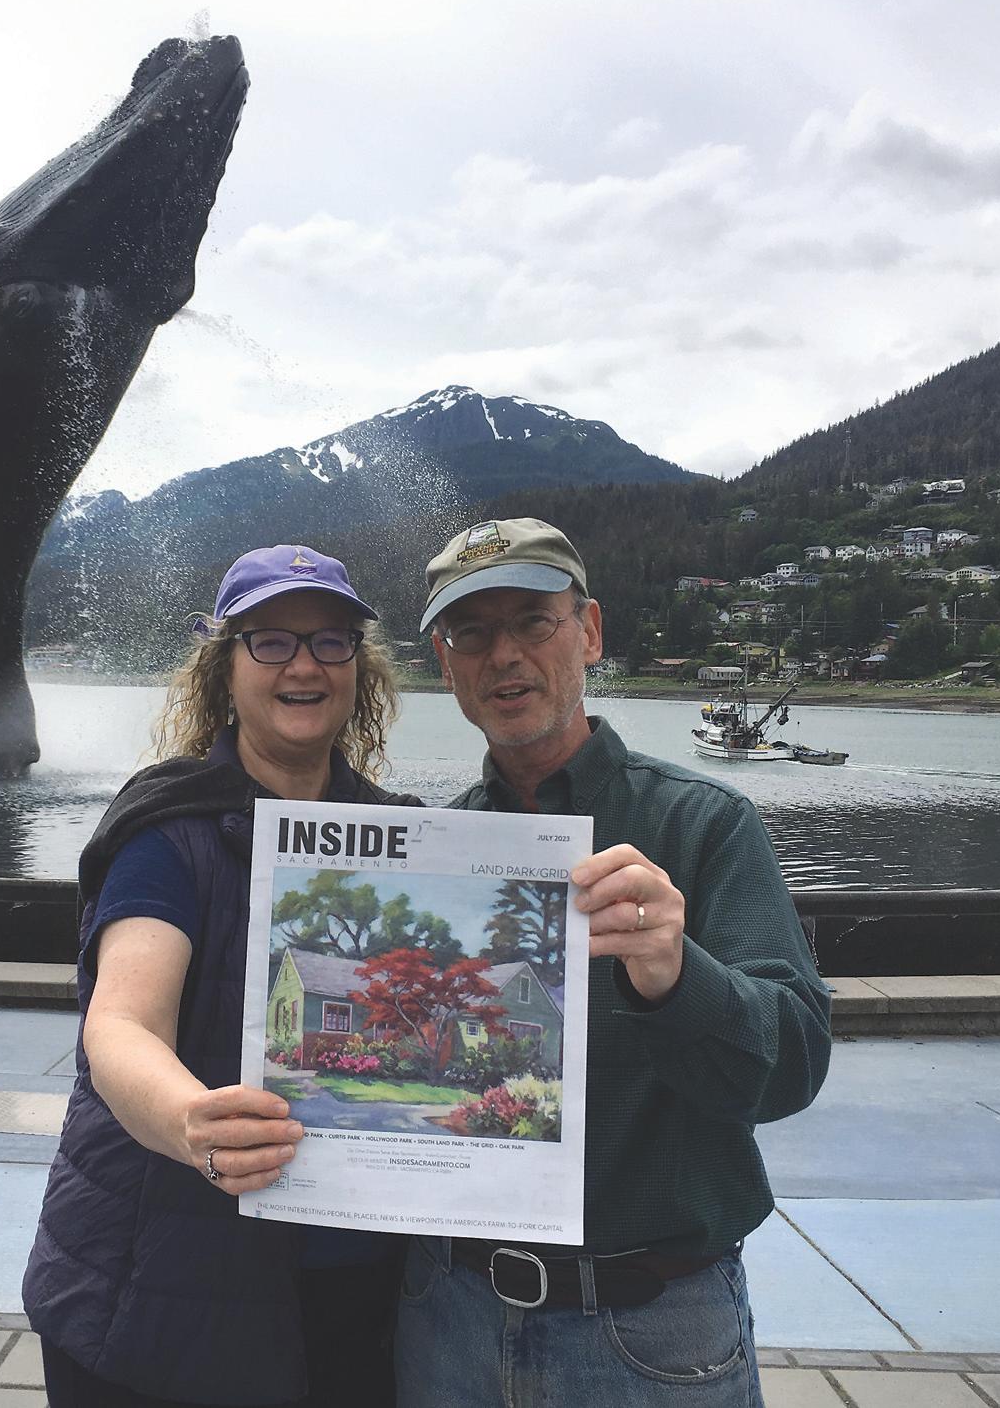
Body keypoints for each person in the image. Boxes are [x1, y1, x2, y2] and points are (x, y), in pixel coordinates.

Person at [396, 517, 832, 1408]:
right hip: (447, 1318)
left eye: (533, 620)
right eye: (471, 632)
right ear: (446, 665)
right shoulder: (435, 849)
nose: (503, 654)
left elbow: (792, 1068)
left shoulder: (705, 824)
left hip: (652, 1331)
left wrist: (677, 975)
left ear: (589, 631)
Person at [24, 544, 419, 1408]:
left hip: (353, 1298)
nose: (304, 664)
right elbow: (121, 1024)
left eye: (331, 641)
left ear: (359, 668)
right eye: (270, 641)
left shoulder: (406, 841)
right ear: (225, 668)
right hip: (155, 1294)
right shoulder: (169, 830)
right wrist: (189, 1120)